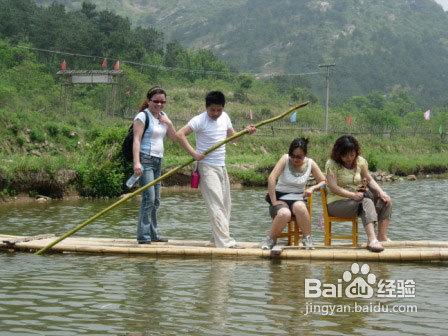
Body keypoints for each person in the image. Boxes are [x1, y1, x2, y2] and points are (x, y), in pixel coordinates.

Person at [177, 90, 256, 248]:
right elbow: (180, 134)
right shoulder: (199, 120)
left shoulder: (225, 117)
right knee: (216, 203)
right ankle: (225, 242)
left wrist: (246, 132)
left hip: (221, 165)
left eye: (219, 109)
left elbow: (234, 138)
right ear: (206, 108)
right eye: (212, 110)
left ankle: (217, 238)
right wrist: (194, 153)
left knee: (226, 204)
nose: (215, 113)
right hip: (206, 167)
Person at [325, 135, 392, 252]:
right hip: (336, 203)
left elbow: (369, 179)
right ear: (338, 154)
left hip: (357, 200)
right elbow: (333, 187)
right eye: (345, 155)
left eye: (352, 154)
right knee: (365, 202)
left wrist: (381, 192)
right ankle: (372, 240)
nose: (349, 158)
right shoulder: (331, 164)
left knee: (386, 201)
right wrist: (352, 195)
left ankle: (381, 237)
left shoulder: (360, 161)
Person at [261, 138, 326, 250]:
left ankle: (308, 239)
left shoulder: (311, 163)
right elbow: (272, 178)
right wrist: (274, 201)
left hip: (298, 199)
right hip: (280, 198)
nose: (295, 159)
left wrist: (312, 188)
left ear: (305, 155)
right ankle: (270, 239)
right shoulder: (285, 159)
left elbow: (324, 181)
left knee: (300, 207)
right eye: (293, 156)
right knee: (285, 213)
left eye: (299, 157)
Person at [132, 87, 177, 244]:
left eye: (162, 101)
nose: (159, 104)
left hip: (158, 160)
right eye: (156, 101)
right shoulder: (142, 116)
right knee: (148, 198)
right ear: (149, 101)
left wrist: (169, 123)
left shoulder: (163, 116)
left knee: (156, 199)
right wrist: (137, 162)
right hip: (145, 160)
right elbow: (136, 140)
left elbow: (173, 138)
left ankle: (153, 234)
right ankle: (143, 237)